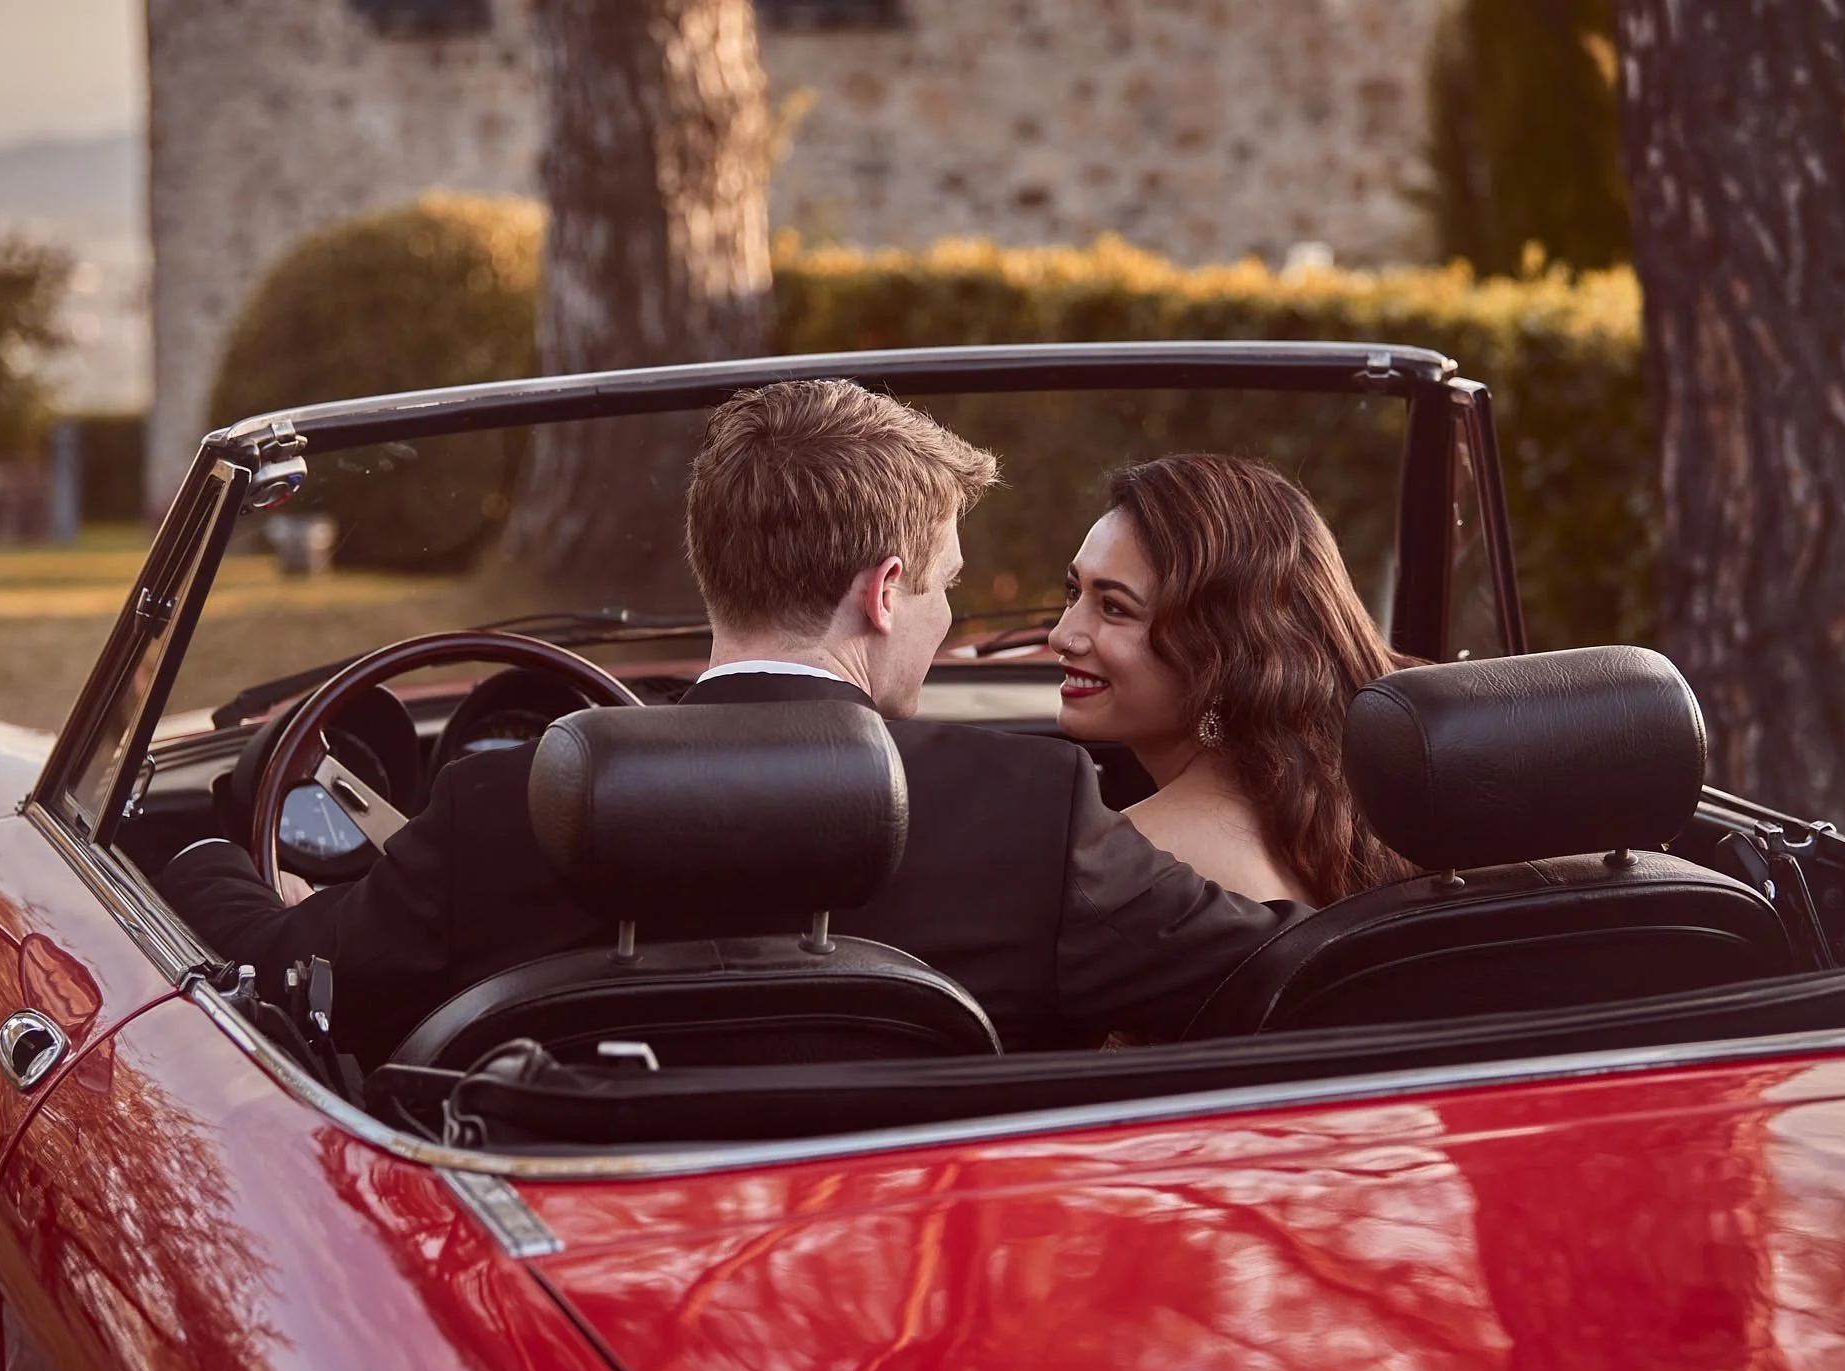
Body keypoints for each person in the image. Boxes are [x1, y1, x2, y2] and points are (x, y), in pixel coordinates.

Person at [158, 380, 1297, 1062]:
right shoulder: (1034, 817)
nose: (950, 620)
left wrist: (207, 852)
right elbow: (1282, 979)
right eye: (948, 582)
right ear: (885, 588)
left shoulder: (499, 814)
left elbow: (279, 982)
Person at [1048, 453, 1411, 905]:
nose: (1061, 635)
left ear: (1221, 650)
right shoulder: (1354, 822)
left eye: (1114, 608)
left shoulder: (1132, 863)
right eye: (1073, 592)